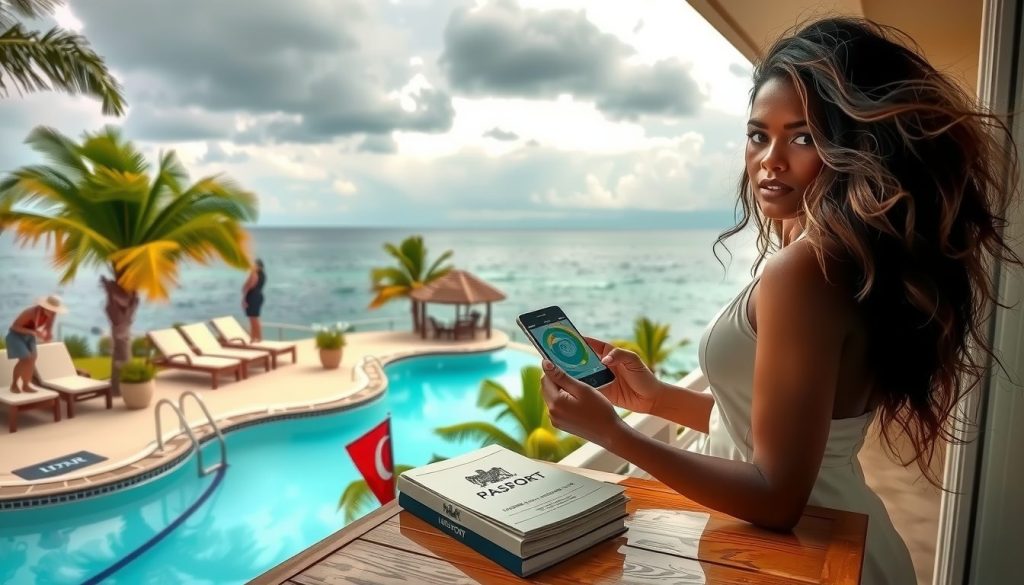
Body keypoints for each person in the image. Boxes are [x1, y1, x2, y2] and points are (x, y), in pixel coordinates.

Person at [538, 17, 1019, 585]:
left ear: (855, 146)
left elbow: (777, 495)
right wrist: (656, 398)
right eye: (758, 135)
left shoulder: (805, 270)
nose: (770, 158)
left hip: (812, 557)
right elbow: (769, 435)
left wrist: (615, 436)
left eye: (803, 137)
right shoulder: (843, 260)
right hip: (829, 545)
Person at [5, 295, 68, 393]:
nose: (53, 313)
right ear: (45, 307)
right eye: (51, 310)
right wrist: (34, 332)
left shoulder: (52, 314)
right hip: (16, 335)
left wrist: (48, 335)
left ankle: (26, 385)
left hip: (30, 335)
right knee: (26, 358)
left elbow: (48, 328)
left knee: (32, 359)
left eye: (54, 310)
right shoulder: (29, 313)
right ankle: (14, 384)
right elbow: (14, 327)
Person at [242, 258, 266, 342]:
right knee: (254, 318)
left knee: (253, 319)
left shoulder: (254, 273)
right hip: (258, 295)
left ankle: (257, 338)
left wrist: (244, 298)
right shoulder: (262, 274)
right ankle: (254, 338)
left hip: (253, 296)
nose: (252, 267)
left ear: (258, 266)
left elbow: (250, 285)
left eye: (254, 265)